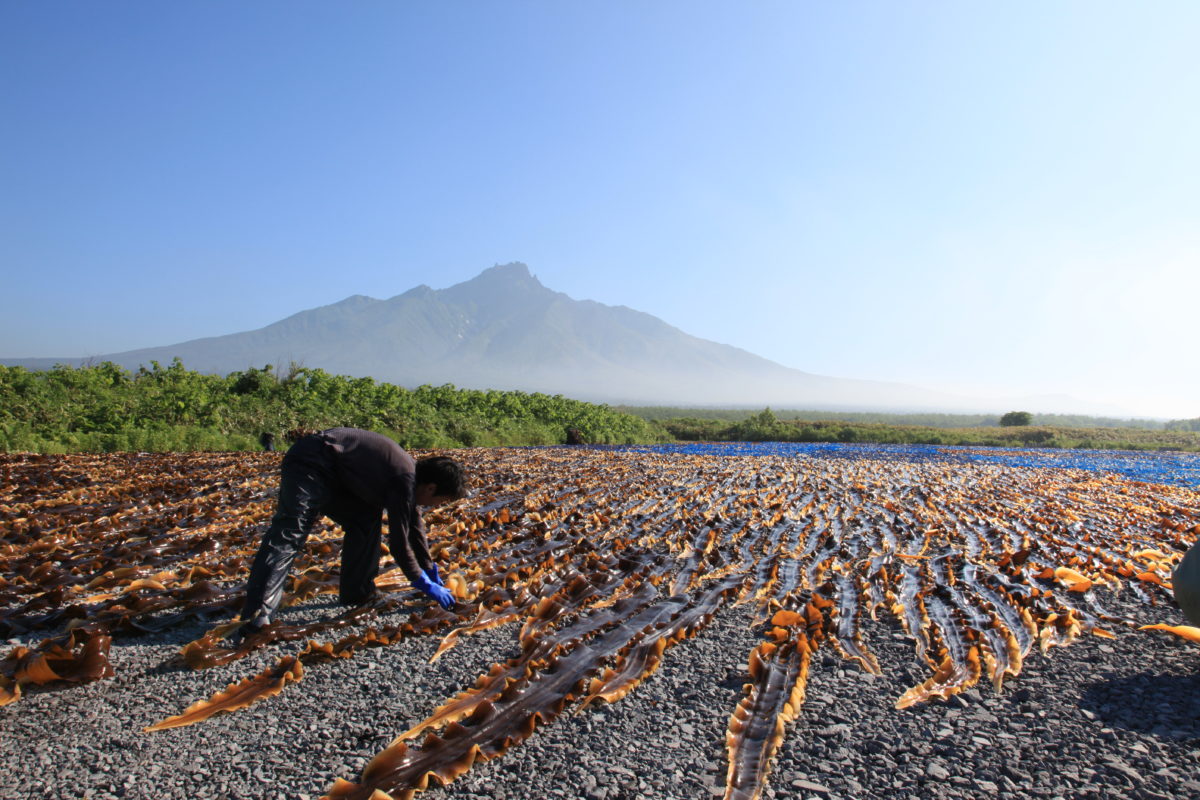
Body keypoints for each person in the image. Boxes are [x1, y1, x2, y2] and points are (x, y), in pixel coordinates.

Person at [237, 427, 467, 637]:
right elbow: (399, 542)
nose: (433, 506)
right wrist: (421, 582)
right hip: (311, 461)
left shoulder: (409, 478)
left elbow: (415, 531)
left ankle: (357, 592)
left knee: (365, 520)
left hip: (339, 476)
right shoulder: (404, 478)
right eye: (440, 501)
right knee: (290, 531)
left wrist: (429, 570)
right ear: (431, 487)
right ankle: (258, 613)